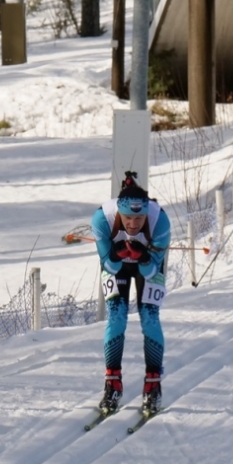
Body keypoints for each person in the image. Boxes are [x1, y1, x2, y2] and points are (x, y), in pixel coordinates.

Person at [92, 173, 172, 418]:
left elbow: (150, 271)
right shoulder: (101, 219)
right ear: (118, 212)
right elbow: (110, 267)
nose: (134, 224)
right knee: (116, 318)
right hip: (118, 266)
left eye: (139, 218)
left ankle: (153, 385)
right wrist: (117, 253)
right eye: (128, 217)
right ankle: (112, 383)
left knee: (149, 318)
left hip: (147, 267)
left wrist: (143, 256)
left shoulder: (160, 222)